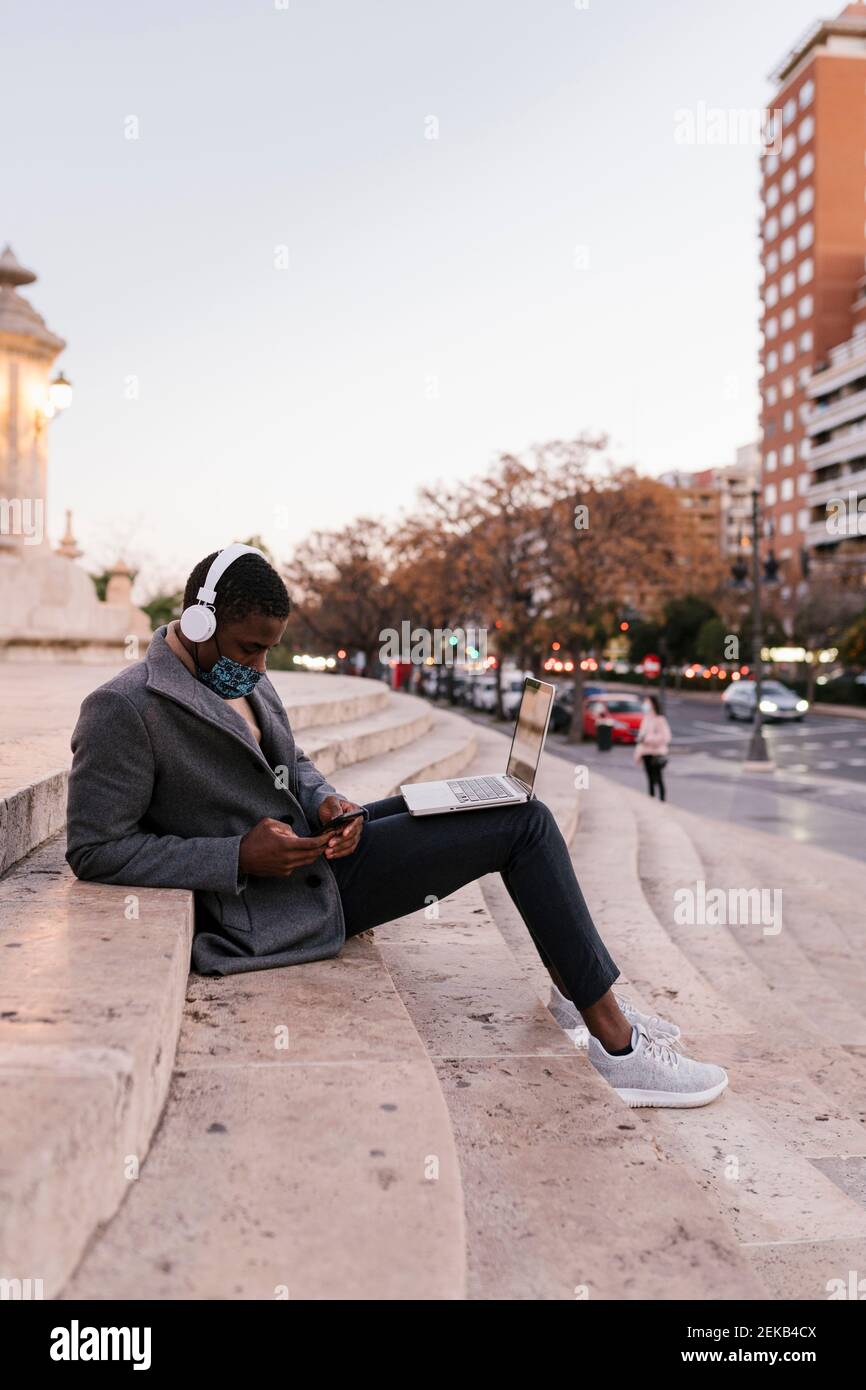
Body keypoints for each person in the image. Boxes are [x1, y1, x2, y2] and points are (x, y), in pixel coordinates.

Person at [65, 547, 727, 1109]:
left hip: (315, 851)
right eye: (249, 648)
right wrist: (237, 856)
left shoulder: (247, 678)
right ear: (199, 619)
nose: (261, 667)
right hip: (276, 898)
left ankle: (576, 989)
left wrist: (328, 802)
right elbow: (94, 849)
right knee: (523, 824)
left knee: (494, 803)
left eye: (269, 649)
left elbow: (289, 763)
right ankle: (616, 1044)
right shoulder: (125, 709)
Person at [634, 693, 672, 801]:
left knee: (658, 778)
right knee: (649, 779)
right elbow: (642, 734)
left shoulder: (659, 719)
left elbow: (666, 737)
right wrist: (640, 739)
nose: (645, 704)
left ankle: (662, 801)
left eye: (647, 702)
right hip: (645, 752)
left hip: (656, 753)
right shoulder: (646, 718)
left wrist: (647, 739)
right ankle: (651, 801)